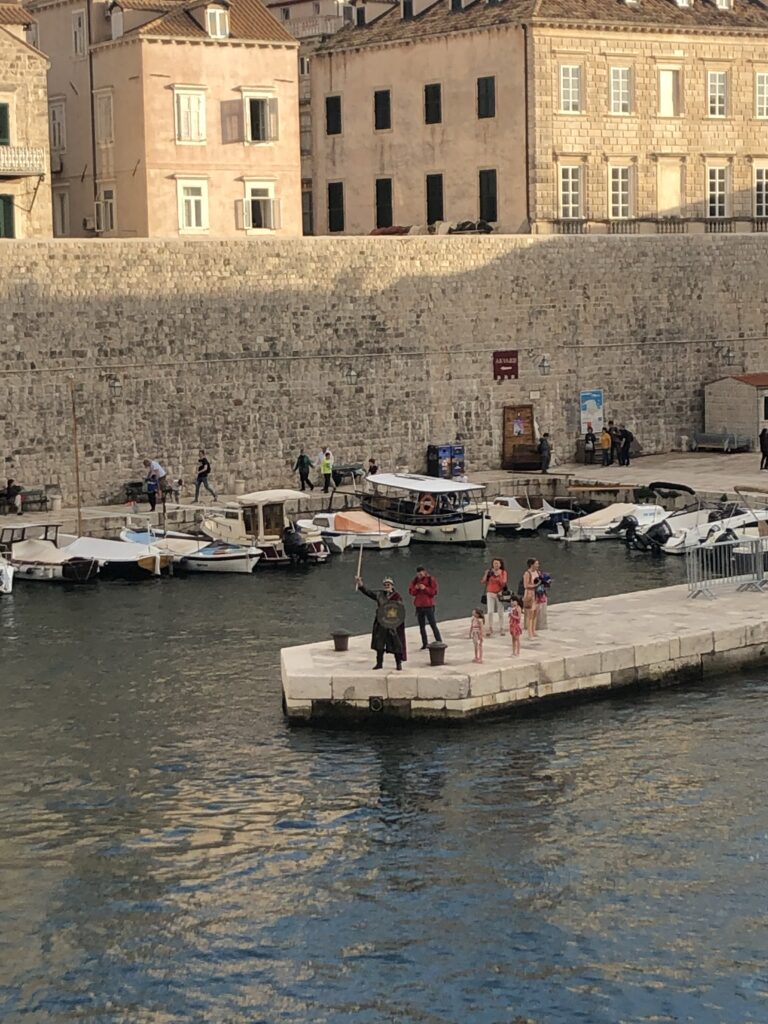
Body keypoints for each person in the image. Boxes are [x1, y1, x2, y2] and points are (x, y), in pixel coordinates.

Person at [356, 575, 407, 670]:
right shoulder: (380, 594)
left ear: (392, 586)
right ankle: (379, 663)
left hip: (392, 624)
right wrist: (360, 584)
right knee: (379, 644)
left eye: (388, 584)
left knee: (396, 644)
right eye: (385, 584)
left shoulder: (397, 596)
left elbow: (399, 609)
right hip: (381, 622)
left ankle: (398, 664)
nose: (387, 586)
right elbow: (368, 592)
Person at [408, 565, 442, 650]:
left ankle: (439, 641)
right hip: (419, 606)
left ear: (424, 572)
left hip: (428, 605)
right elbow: (411, 592)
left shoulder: (430, 579)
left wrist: (425, 588)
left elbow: (434, 592)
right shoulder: (415, 581)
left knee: (433, 624)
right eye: (418, 573)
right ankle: (424, 643)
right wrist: (416, 588)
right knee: (421, 626)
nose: (420, 575)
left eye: (421, 573)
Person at [481, 557, 508, 636]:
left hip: (499, 593)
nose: (495, 565)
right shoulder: (490, 572)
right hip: (490, 593)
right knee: (490, 611)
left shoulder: (503, 572)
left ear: (500, 564)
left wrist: (498, 576)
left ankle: (502, 628)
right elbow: (483, 581)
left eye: (497, 563)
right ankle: (490, 628)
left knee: (500, 611)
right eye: (494, 563)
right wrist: (486, 574)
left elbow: (503, 583)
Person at [523, 557, 541, 639]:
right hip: (530, 594)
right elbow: (526, 585)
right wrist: (535, 585)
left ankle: (533, 631)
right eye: (536, 564)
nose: (538, 565)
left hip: (537, 594)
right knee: (530, 614)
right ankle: (529, 632)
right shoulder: (527, 573)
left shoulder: (538, 572)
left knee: (535, 613)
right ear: (531, 564)